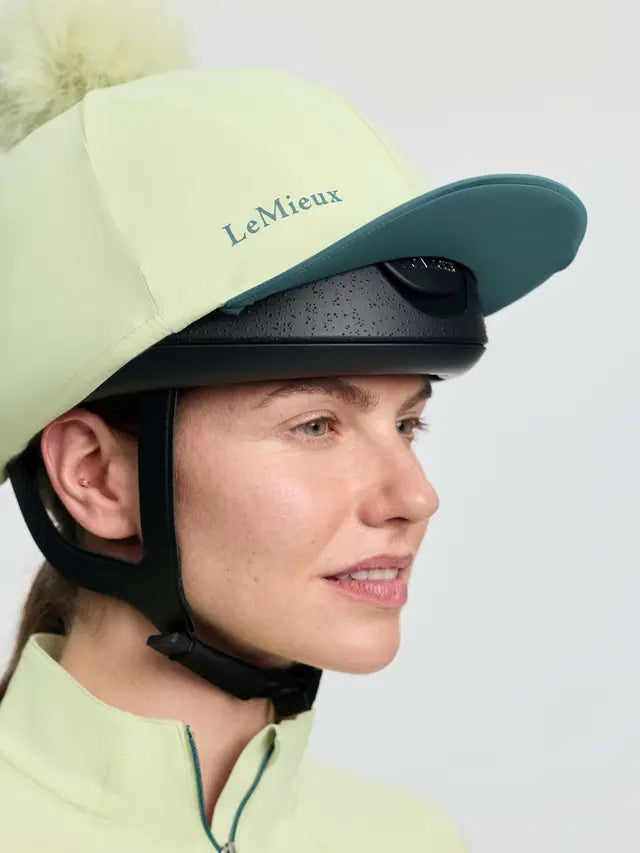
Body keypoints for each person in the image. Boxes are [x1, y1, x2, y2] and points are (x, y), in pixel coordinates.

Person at [0, 0, 588, 851]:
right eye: (317, 425)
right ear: (96, 475)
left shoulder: (412, 841)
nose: (415, 497)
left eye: (408, 423)